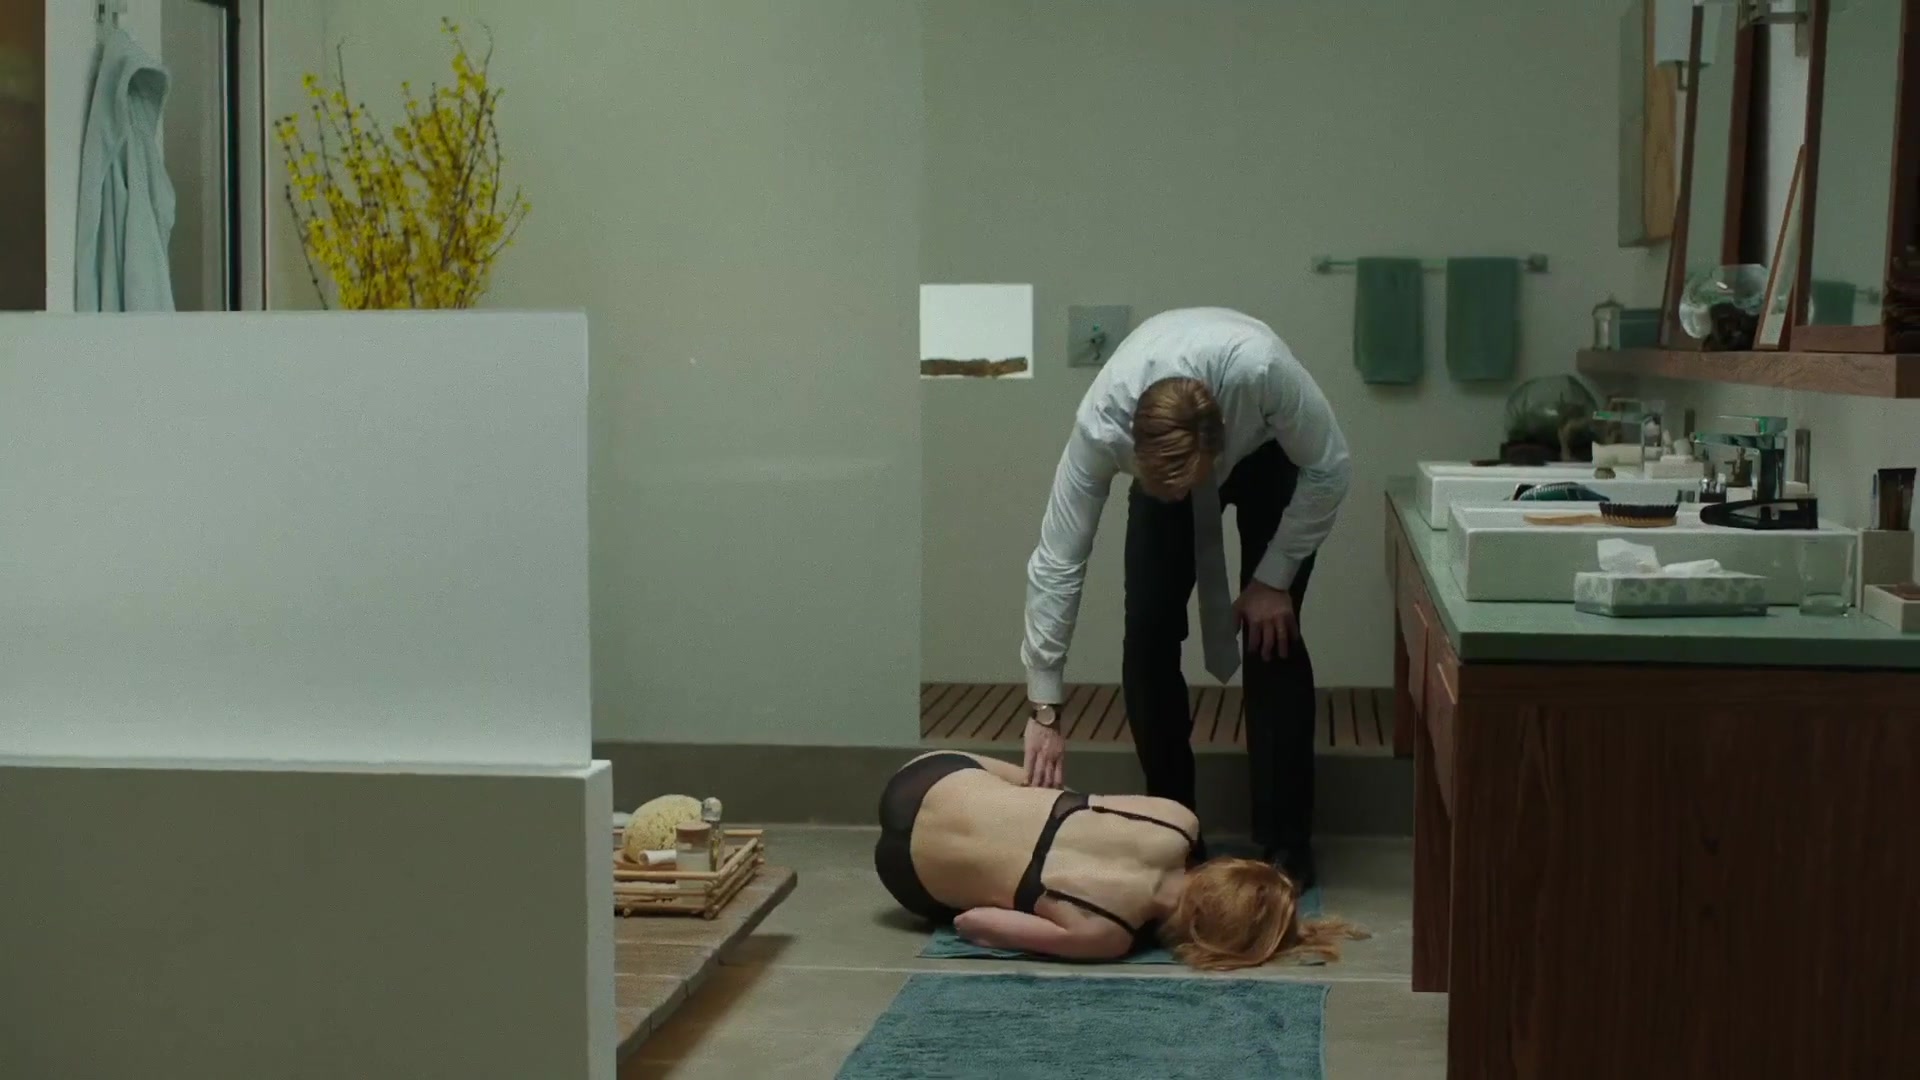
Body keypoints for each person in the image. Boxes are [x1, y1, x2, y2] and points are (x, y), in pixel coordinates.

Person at [1020, 307, 1351, 888]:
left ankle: (1286, 841)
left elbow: (1330, 466)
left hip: (1267, 452)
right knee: (1148, 635)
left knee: (1273, 638)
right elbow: (1059, 558)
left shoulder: (1261, 373)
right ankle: (1173, 826)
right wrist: (1044, 705)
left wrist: (1273, 579)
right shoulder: (1102, 426)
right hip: (1167, 453)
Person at [873, 751, 1365, 967]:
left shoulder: (1176, 821)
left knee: (1033, 793)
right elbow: (973, 923)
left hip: (925, 775)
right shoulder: (1106, 934)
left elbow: (1060, 794)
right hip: (908, 873)